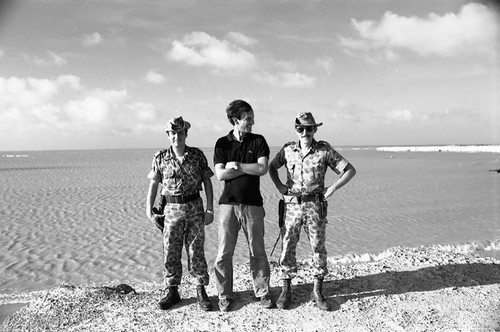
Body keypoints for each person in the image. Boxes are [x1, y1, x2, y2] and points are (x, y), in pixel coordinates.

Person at [268, 112, 356, 311]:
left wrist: (331, 189)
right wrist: (280, 186)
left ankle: (317, 290)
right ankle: (286, 288)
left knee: (318, 247)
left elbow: (349, 170)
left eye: (309, 128)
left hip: (315, 206)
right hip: (291, 207)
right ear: (296, 130)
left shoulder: (324, 150)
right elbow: (272, 167)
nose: (305, 132)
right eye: (300, 128)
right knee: (288, 246)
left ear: (315, 129)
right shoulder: (288, 150)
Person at [146, 116, 215, 311]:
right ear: (168, 135)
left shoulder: (197, 155)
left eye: (180, 132)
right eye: (173, 133)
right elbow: (153, 184)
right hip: (171, 212)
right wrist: (149, 210)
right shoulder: (160, 157)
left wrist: (210, 209)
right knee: (170, 251)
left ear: (186, 134)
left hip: (194, 208)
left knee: (196, 251)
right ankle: (172, 290)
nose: (177, 136)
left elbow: (207, 182)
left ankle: (201, 289)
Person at [213, 99, 274, 312]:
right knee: (223, 253)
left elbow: (262, 169)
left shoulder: (259, 140)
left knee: (257, 251)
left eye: (252, 118)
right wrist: (249, 167)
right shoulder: (222, 143)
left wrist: (237, 165)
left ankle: (263, 292)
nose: (252, 123)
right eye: (248, 119)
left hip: (253, 205)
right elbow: (221, 175)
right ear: (235, 120)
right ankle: (225, 295)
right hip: (227, 206)